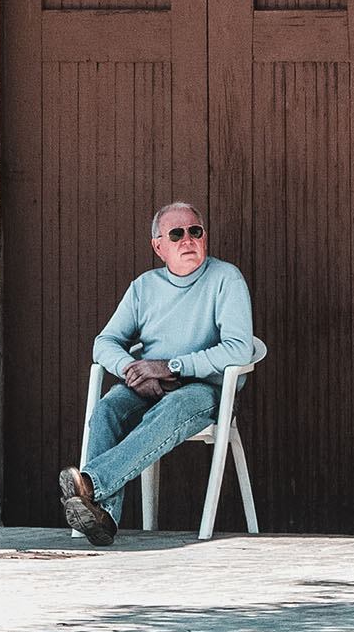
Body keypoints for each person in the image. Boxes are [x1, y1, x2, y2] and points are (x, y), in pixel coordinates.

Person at [59, 201, 254, 546]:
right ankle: (103, 520)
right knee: (108, 409)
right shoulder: (144, 287)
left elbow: (239, 349)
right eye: (176, 234)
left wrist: (170, 366)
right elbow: (103, 343)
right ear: (159, 247)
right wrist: (133, 371)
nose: (187, 240)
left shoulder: (226, 279)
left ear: (204, 237)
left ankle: (91, 486)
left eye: (195, 231)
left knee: (172, 406)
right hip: (146, 385)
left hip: (204, 391)